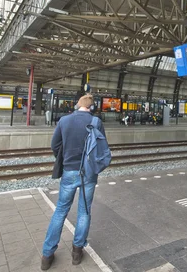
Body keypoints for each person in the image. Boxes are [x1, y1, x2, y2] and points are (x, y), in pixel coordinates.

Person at [41, 94, 105, 269]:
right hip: (88, 174)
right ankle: (77, 253)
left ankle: (47, 255)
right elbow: (101, 147)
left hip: (69, 171)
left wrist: (65, 159)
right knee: (84, 212)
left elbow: (55, 145)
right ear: (91, 107)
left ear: (78, 105)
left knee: (61, 210)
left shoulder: (64, 120)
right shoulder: (96, 122)